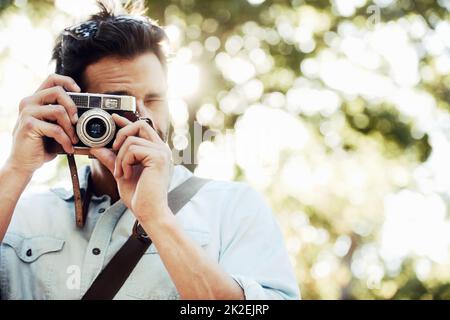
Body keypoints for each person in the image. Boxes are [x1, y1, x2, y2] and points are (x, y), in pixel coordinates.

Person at [0, 3, 300, 300]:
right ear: (73, 108)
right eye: (119, 102)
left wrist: (156, 217)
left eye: (154, 100)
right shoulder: (21, 216)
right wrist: (15, 170)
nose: (143, 118)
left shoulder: (233, 209)